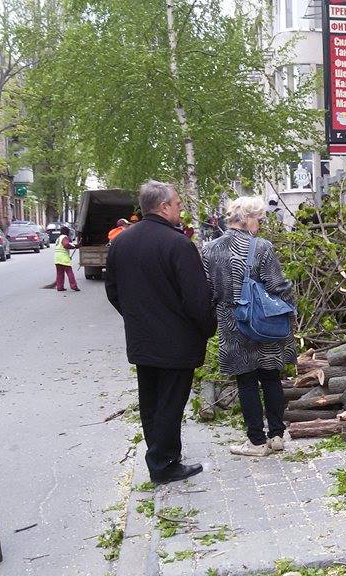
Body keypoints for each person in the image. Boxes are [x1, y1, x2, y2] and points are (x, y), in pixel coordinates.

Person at [105, 180, 216, 485]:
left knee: (151, 402)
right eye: (178, 203)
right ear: (164, 206)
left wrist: (136, 317)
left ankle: (159, 457)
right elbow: (197, 298)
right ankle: (164, 464)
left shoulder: (122, 242)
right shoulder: (178, 244)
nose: (181, 207)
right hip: (177, 342)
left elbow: (113, 290)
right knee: (170, 403)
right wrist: (207, 329)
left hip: (142, 339)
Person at [202, 196, 296, 457]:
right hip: (264, 321)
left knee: (246, 381)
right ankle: (276, 436)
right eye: (260, 219)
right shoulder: (263, 247)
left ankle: (256, 442)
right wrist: (290, 303)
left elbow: (208, 292)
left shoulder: (210, 250)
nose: (262, 224)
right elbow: (276, 285)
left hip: (232, 324)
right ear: (246, 217)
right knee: (270, 376)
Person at [53, 225, 80, 292]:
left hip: (57, 258)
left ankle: (60, 287)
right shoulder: (64, 237)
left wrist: (74, 245)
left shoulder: (58, 238)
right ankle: (73, 286)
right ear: (66, 232)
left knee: (60, 273)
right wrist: (75, 246)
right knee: (69, 272)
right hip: (63, 258)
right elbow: (66, 245)